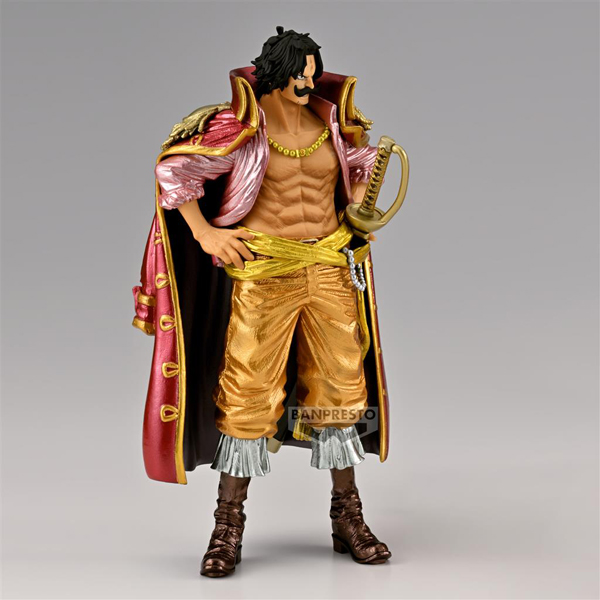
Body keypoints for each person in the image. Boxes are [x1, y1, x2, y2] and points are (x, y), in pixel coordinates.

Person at [132, 26, 393, 577]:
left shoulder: (331, 124)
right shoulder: (242, 129)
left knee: (342, 388)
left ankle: (347, 514)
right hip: (265, 271)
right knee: (247, 389)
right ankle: (228, 524)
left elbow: (359, 168)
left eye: (313, 73)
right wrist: (205, 234)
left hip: (328, 267)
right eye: (300, 74)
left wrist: (361, 197)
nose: (309, 83)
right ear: (277, 75)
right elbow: (174, 171)